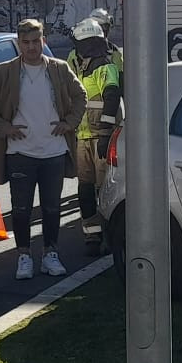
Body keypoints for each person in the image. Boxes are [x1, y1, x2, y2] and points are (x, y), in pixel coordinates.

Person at [0, 18, 85, 279]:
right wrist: (3, 127)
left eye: (36, 41)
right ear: (18, 44)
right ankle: (24, 256)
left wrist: (69, 122)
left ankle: (51, 254)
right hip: (19, 153)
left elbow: (80, 95)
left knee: (52, 208)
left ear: (43, 41)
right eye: (26, 42)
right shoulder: (5, 71)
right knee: (21, 209)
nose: (32, 47)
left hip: (54, 152)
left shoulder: (58, 69)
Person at [65, 17, 123, 255]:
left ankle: (110, 237)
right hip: (83, 137)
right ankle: (92, 236)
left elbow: (111, 97)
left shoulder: (104, 67)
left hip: (101, 138)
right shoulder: (77, 63)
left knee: (105, 191)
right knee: (86, 189)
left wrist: (105, 134)